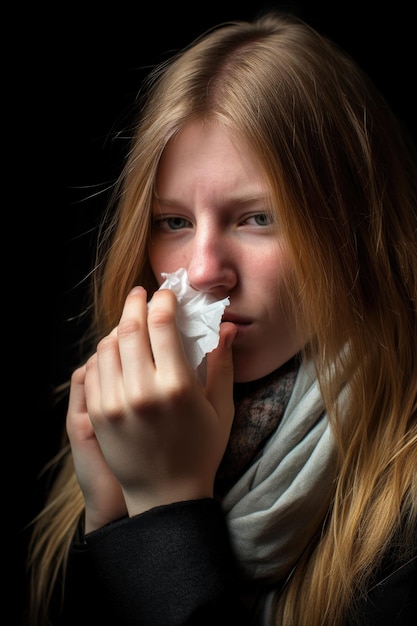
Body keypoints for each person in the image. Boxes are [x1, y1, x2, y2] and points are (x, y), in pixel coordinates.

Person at [26, 10, 417, 626]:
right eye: (174, 222)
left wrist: (162, 514)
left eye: (257, 218)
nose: (205, 269)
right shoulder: (115, 439)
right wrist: (110, 524)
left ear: (355, 234)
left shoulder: (406, 504)